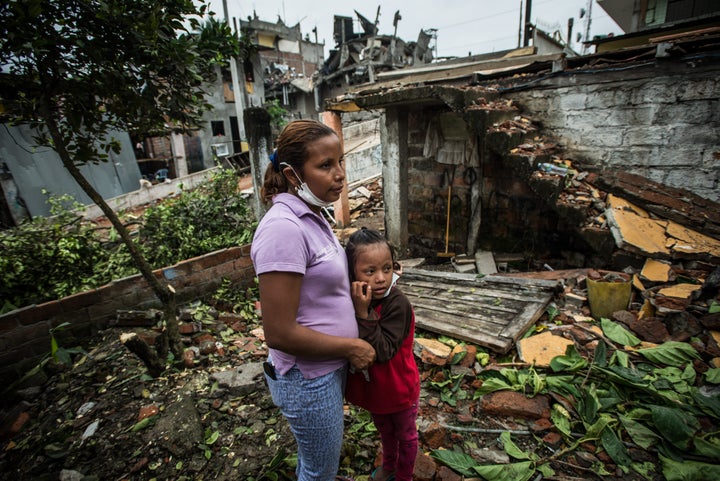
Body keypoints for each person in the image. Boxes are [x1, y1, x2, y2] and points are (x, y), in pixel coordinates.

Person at [250, 119, 376, 481]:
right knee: (319, 471)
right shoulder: (283, 229)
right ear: (292, 174)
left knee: (321, 461)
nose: (339, 175)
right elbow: (278, 332)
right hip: (307, 379)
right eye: (325, 166)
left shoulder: (313, 215)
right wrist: (352, 347)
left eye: (340, 163)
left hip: (325, 368)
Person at [344, 229, 420, 481]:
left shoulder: (397, 304)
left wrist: (363, 314)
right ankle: (389, 465)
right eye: (370, 271)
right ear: (351, 273)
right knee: (385, 431)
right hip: (376, 389)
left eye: (387, 269)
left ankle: (404, 476)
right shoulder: (354, 299)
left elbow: (384, 351)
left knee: (406, 435)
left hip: (400, 387)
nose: (381, 278)